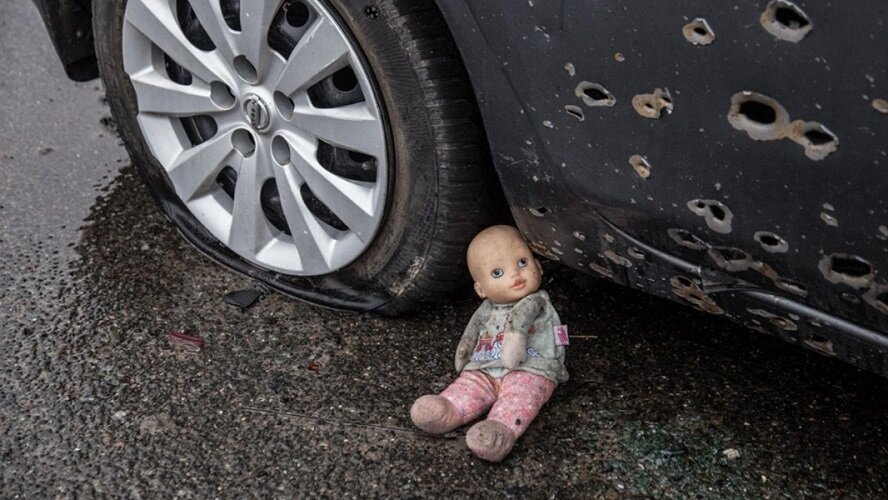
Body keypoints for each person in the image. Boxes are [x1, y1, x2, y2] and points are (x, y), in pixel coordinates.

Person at [410, 225, 568, 462]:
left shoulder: (536, 302)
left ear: (538, 266)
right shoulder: (486, 308)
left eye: (522, 262)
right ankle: (448, 409)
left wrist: (513, 347)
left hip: (530, 367)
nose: (515, 274)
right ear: (480, 289)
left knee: (520, 396)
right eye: (497, 273)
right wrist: (464, 352)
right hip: (485, 364)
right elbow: (472, 331)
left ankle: (500, 430)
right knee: (470, 385)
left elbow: (519, 323)